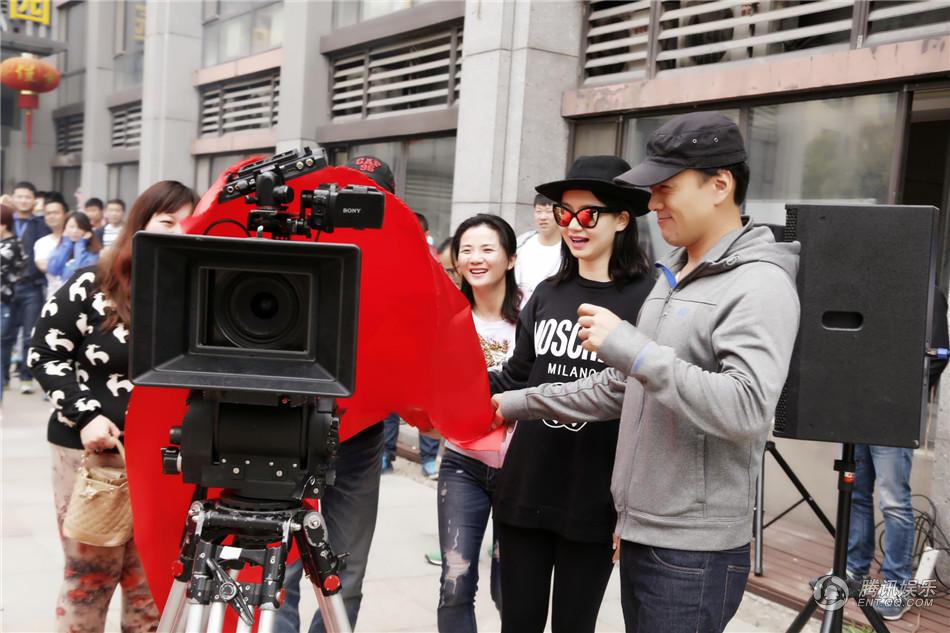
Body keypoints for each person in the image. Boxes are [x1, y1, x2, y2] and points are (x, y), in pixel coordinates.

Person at [491, 112, 800, 633]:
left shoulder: (758, 283)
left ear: (720, 185)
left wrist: (633, 351)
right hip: (645, 533)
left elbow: (748, 409)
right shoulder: (674, 276)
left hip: (692, 549)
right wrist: (513, 403)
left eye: (665, 188)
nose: (653, 204)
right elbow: (623, 388)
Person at [487, 156, 653, 633]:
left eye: (589, 214)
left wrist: (630, 509)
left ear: (622, 219)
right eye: (565, 212)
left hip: (596, 498)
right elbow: (517, 376)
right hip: (526, 486)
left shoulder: (649, 297)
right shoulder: (546, 293)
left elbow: (646, 403)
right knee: (517, 624)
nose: (573, 225)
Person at [28, 180, 198, 633]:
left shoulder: (198, 290)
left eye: (190, 224)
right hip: (91, 452)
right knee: (89, 576)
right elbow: (44, 353)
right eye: (168, 222)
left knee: (152, 581)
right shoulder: (92, 283)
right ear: (141, 225)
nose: (179, 233)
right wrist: (85, 415)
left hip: (168, 456)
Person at [277, 155, 396, 633]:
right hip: (291, 426)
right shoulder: (296, 243)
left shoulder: (403, 265)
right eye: (348, 194)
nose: (355, 208)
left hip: (363, 431)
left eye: (370, 198)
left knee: (346, 570)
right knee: (280, 566)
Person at [435, 214, 521, 632]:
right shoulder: (447, 317)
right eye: (466, 250)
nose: (475, 258)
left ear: (510, 258)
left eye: (487, 249)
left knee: (512, 589)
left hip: (522, 468)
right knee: (455, 582)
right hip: (463, 464)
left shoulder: (534, 315)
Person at [846, 287, 949, 620]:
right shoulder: (864, 285)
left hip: (894, 414)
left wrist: (901, 392)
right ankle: (854, 570)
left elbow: (939, 353)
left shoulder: (927, 289)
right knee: (855, 494)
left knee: (893, 502)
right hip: (856, 407)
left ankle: (896, 586)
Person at [1, 180, 50, 394]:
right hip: (7, 288)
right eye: (19, 196)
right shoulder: (5, 221)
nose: (23, 200)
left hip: (32, 286)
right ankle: (3, 378)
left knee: (30, 335)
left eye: (27, 196)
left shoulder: (40, 223)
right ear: (12, 198)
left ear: (34, 200)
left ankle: (26, 377)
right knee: (5, 335)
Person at [514, 193, 560, 302]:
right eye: (538, 211)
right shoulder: (521, 244)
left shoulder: (570, 250)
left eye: (549, 211)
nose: (542, 217)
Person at [47, 211, 103, 282]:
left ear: (86, 230)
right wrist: (66, 243)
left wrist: (80, 243)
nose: (75, 231)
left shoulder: (93, 252)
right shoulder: (62, 247)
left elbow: (81, 271)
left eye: (79, 227)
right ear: (65, 228)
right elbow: (53, 270)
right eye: (71, 227)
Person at [33, 193, 69, 298]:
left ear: (66, 215)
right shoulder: (41, 243)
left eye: (56, 213)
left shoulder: (78, 239)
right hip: (54, 296)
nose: (52, 216)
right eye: (48, 213)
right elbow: (45, 267)